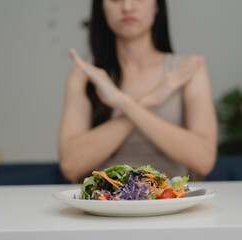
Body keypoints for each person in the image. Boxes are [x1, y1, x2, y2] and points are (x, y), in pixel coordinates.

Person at [58, 0, 217, 183]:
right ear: (101, 7)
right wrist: (147, 101)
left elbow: (203, 160)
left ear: (157, 5)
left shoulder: (188, 69)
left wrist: (123, 102)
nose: (127, 7)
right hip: (106, 205)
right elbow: (71, 165)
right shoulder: (85, 75)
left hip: (172, 202)